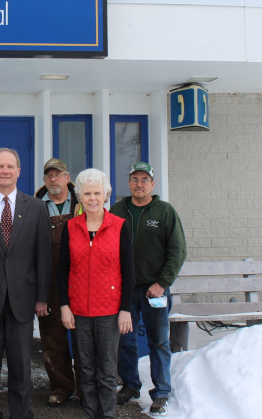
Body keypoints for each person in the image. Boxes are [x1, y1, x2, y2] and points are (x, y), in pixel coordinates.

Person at [0, 148, 51, 419]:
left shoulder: (36, 207)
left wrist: (42, 298)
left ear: (18, 171)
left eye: (10, 166)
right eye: (0, 166)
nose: (5, 171)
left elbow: (43, 256)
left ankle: (21, 413)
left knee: (21, 366)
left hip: (23, 299)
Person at [111, 162, 187, 417]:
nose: (139, 184)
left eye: (144, 179)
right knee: (126, 340)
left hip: (155, 291)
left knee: (159, 342)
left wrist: (162, 283)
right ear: (129, 183)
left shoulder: (165, 212)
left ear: (152, 184)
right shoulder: (118, 210)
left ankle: (161, 391)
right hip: (125, 291)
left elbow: (177, 251)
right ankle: (130, 385)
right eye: (135, 179)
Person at [57, 168, 134, 419]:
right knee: (86, 369)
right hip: (79, 310)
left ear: (105, 195)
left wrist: (125, 309)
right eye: (87, 193)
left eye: (97, 193)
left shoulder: (120, 226)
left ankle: (108, 414)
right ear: (79, 196)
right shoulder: (71, 227)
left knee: (108, 371)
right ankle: (90, 413)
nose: (92, 198)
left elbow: (128, 271)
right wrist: (64, 305)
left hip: (110, 311)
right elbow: (63, 269)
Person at [33, 158, 83, 407]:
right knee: (53, 338)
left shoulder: (82, 203)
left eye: (58, 174)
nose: (53, 179)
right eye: (49, 175)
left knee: (84, 338)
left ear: (67, 177)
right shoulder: (34, 206)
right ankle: (61, 387)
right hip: (49, 281)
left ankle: (87, 388)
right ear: (44, 180)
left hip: (81, 281)